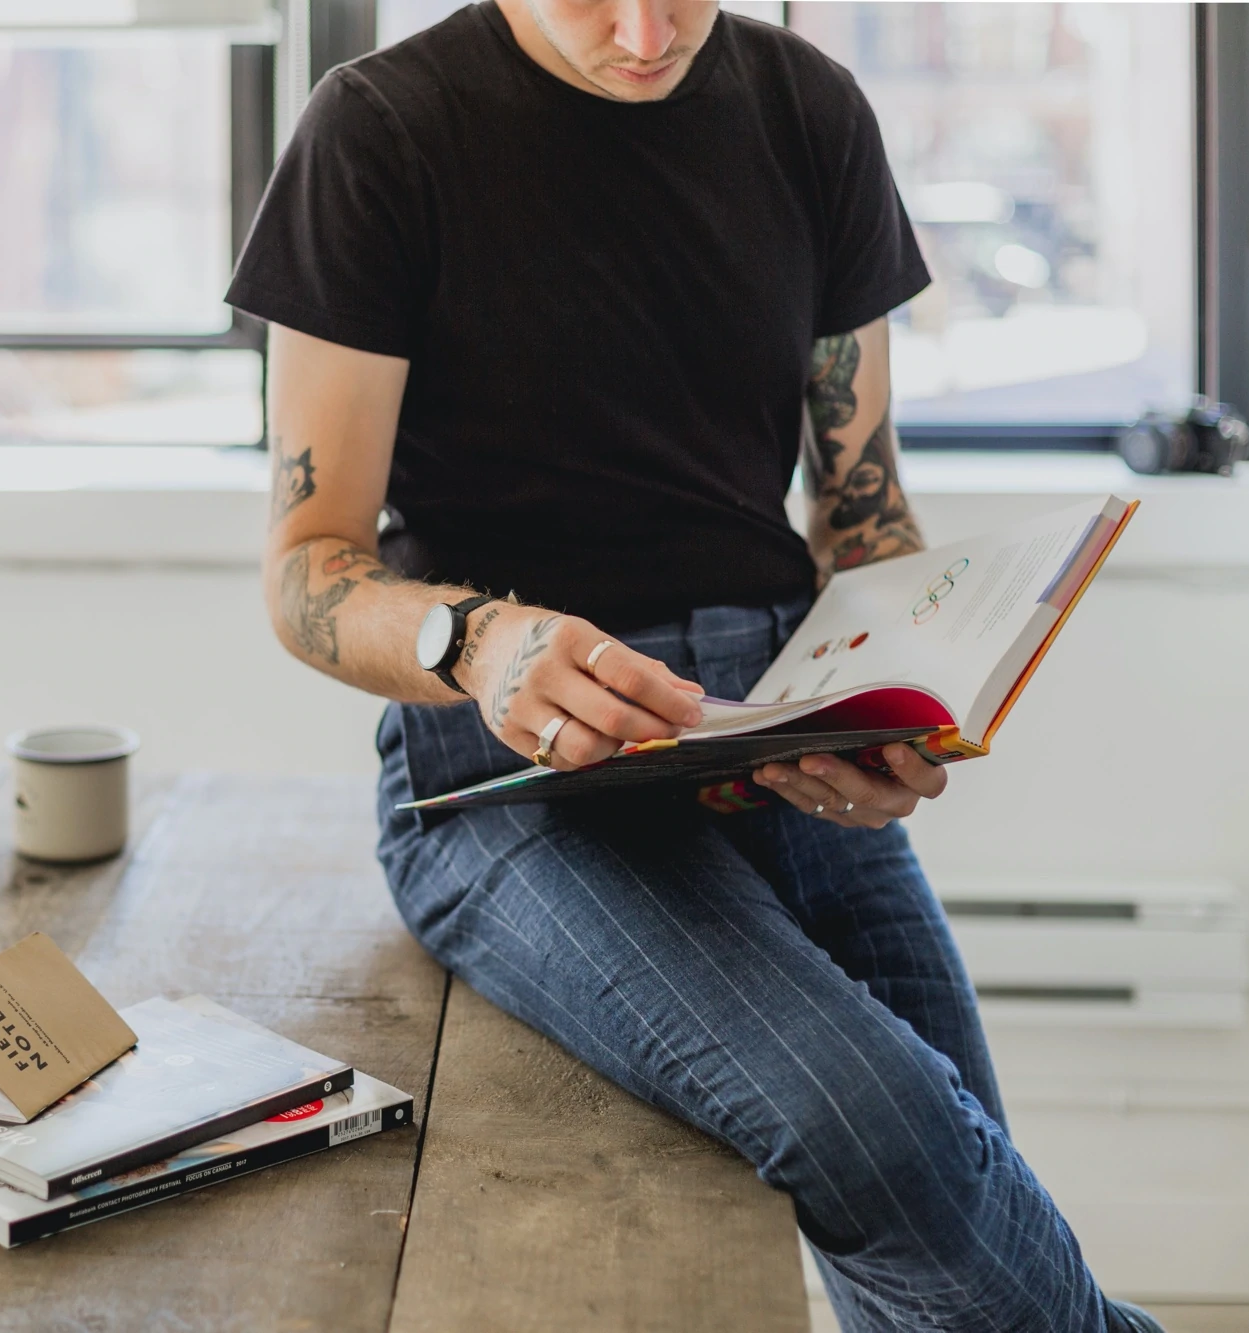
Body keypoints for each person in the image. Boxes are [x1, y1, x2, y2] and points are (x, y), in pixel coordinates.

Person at [226, 2, 1161, 1328]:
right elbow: (305, 565)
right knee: (879, 1126)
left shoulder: (812, 113)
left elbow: (863, 509)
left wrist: (905, 697)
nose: (645, 32)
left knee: (951, 1207)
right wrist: (481, 642)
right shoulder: (378, 133)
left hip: (777, 726)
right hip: (513, 783)